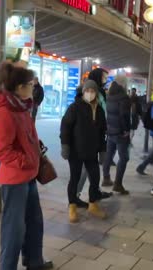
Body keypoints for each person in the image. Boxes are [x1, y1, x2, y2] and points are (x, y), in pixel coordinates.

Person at [0, 63, 52, 270]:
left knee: (35, 222)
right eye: (29, 85)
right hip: (15, 178)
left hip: (29, 176)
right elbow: (2, 150)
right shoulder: (6, 112)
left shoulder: (22, 106)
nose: (33, 89)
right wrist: (26, 160)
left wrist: (35, 146)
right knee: (13, 229)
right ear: (18, 87)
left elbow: (25, 137)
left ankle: (34, 261)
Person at [61, 79, 108, 223]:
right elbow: (65, 127)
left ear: (96, 93)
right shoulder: (74, 108)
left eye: (92, 91)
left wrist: (102, 151)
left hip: (91, 151)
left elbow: (102, 132)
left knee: (95, 178)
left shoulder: (99, 110)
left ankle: (93, 204)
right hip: (75, 151)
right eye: (87, 91)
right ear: (83, 92)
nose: (90, 93)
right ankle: (72, 206)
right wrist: (65, 146)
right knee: (74, 178)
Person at [103, 75, 132, 194]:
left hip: (111, 130)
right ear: (123, 84)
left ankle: (106, 178)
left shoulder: (110, 95)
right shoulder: (123, 97)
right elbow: (124, 116)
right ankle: (118, 184)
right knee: (124, 157)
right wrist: (126, 130)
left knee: (109, 154)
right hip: (120, 132)